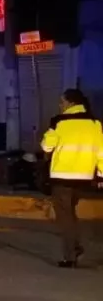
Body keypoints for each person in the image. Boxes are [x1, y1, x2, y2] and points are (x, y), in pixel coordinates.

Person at [41, 89, 103, 268]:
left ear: (70, 103)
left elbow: (46, 146)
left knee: (65, 217)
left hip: (62, 177)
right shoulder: (95, 123)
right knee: (70, 213)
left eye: (62, 102)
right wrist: (101, 175)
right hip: (83, 178)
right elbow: (101, 152)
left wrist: (49, 135)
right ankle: (74, 247)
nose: (60, 105)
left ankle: (71, 254)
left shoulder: (59, 121)